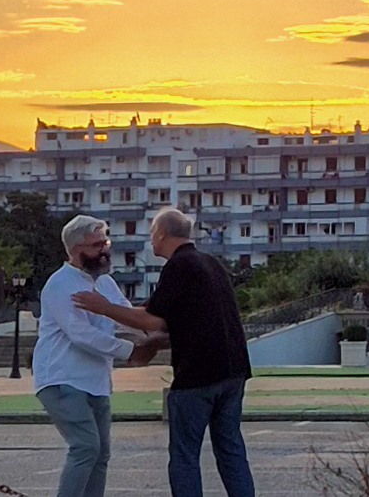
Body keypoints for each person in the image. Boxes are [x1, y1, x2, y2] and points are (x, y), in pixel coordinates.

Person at [74, 208, 253, 497]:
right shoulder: (210, 263)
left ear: (161, 234)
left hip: (198, 375)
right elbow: (177, 317)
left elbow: (154, 320)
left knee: (184, 456)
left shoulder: (179, 266)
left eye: (151, 234)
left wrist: (101, 306)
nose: (151, 241)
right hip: (234, 371)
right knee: (231, 448)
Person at [34, 215, 160, 497]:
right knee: (85, 447)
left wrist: (157, 331)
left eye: (106, 242)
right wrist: (131, 351)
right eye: (96, 245)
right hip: (62, 379)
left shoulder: (105, 283)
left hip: (96, 382)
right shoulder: (60, 284)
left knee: (101, 455)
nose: (104, 250)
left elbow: (126, 315)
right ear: (75, 250)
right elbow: (80, 334)